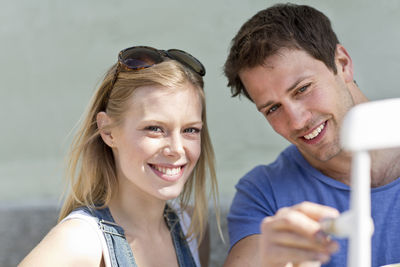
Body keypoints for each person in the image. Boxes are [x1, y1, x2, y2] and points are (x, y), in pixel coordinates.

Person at [223, 3, 400, 267]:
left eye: (302, 89)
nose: (297, 121)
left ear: (342, 64)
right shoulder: (264, 193)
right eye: (272, 109)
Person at [19, 45, 219, 267]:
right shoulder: (78, 243)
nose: (177, 149)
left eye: (190, 130)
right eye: (154, 128)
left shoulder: (191, 228)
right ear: (107, 131)